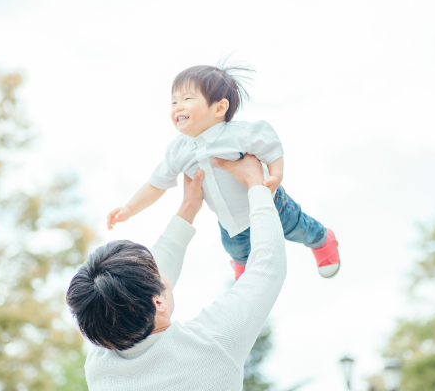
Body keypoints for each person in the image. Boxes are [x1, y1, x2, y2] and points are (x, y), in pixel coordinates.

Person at [67, 155, 287, 390]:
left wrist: (189, 207)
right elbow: (268, 264)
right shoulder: (212, 344)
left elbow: (128, 296)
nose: (162, 273)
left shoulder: (101, 367)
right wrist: (256, 183)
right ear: (158, 301)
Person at [105, 64, 340, 280]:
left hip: (272, 206)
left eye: (187, 98)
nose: (178, 106)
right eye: (173, 101)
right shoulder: (178, 149)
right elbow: (156, 184)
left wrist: (276, 175)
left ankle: (322, 240)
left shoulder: (237, 134)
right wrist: (129, 208)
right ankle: (241, 266)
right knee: (237, 250)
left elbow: (270, 145)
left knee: (299, 228)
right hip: (230, 223)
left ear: (219, 107)